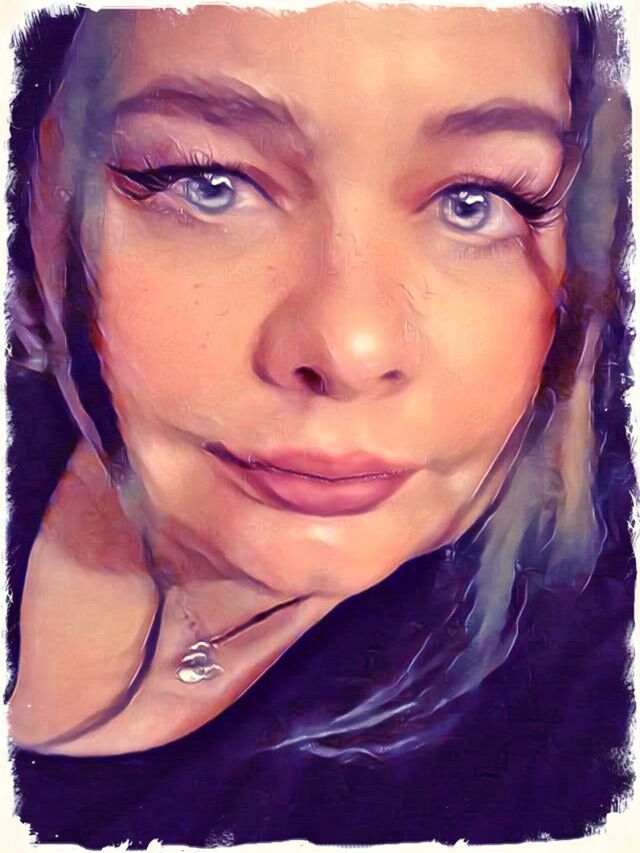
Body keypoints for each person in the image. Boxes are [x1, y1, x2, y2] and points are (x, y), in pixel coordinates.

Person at [6, 2, 634, 846]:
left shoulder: (581, 733)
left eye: (474, 199)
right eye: (208, 182)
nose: (350, 347)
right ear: (43, 191)